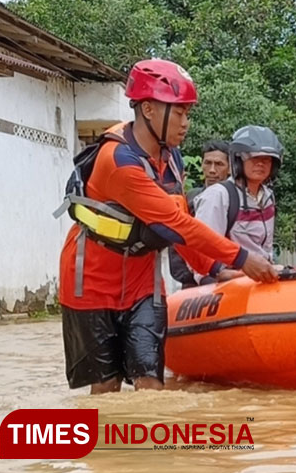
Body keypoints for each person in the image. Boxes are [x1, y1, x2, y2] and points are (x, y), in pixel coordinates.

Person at [58, 59, 278, 395]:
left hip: (143, 283)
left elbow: (178, 223)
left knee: (152, 384)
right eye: (179, 113)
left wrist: (216, 269)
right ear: (148, 109)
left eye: (188, 113)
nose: (186, 123)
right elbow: (176, 224)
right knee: (106, 388)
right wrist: (241, 258)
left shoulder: (171, 158)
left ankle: (152, 447)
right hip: (90, 283)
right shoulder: (119, 161)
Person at [193, 125, 282, 282]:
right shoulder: (219, 195)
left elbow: (266, 249)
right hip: (228, 284)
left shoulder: (268, 197)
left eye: (267, 159)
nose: (261, 164)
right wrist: (220, 274)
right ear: (239, 160)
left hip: (259, 280)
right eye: (254, 158)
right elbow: (201, 246)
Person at [169, 139, 230, 288]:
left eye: (219, 164)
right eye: (207, 163)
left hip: (225, 278)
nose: (212, 170)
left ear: (230, 168)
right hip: (190, 281)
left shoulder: (235, 200)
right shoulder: (190, 199)